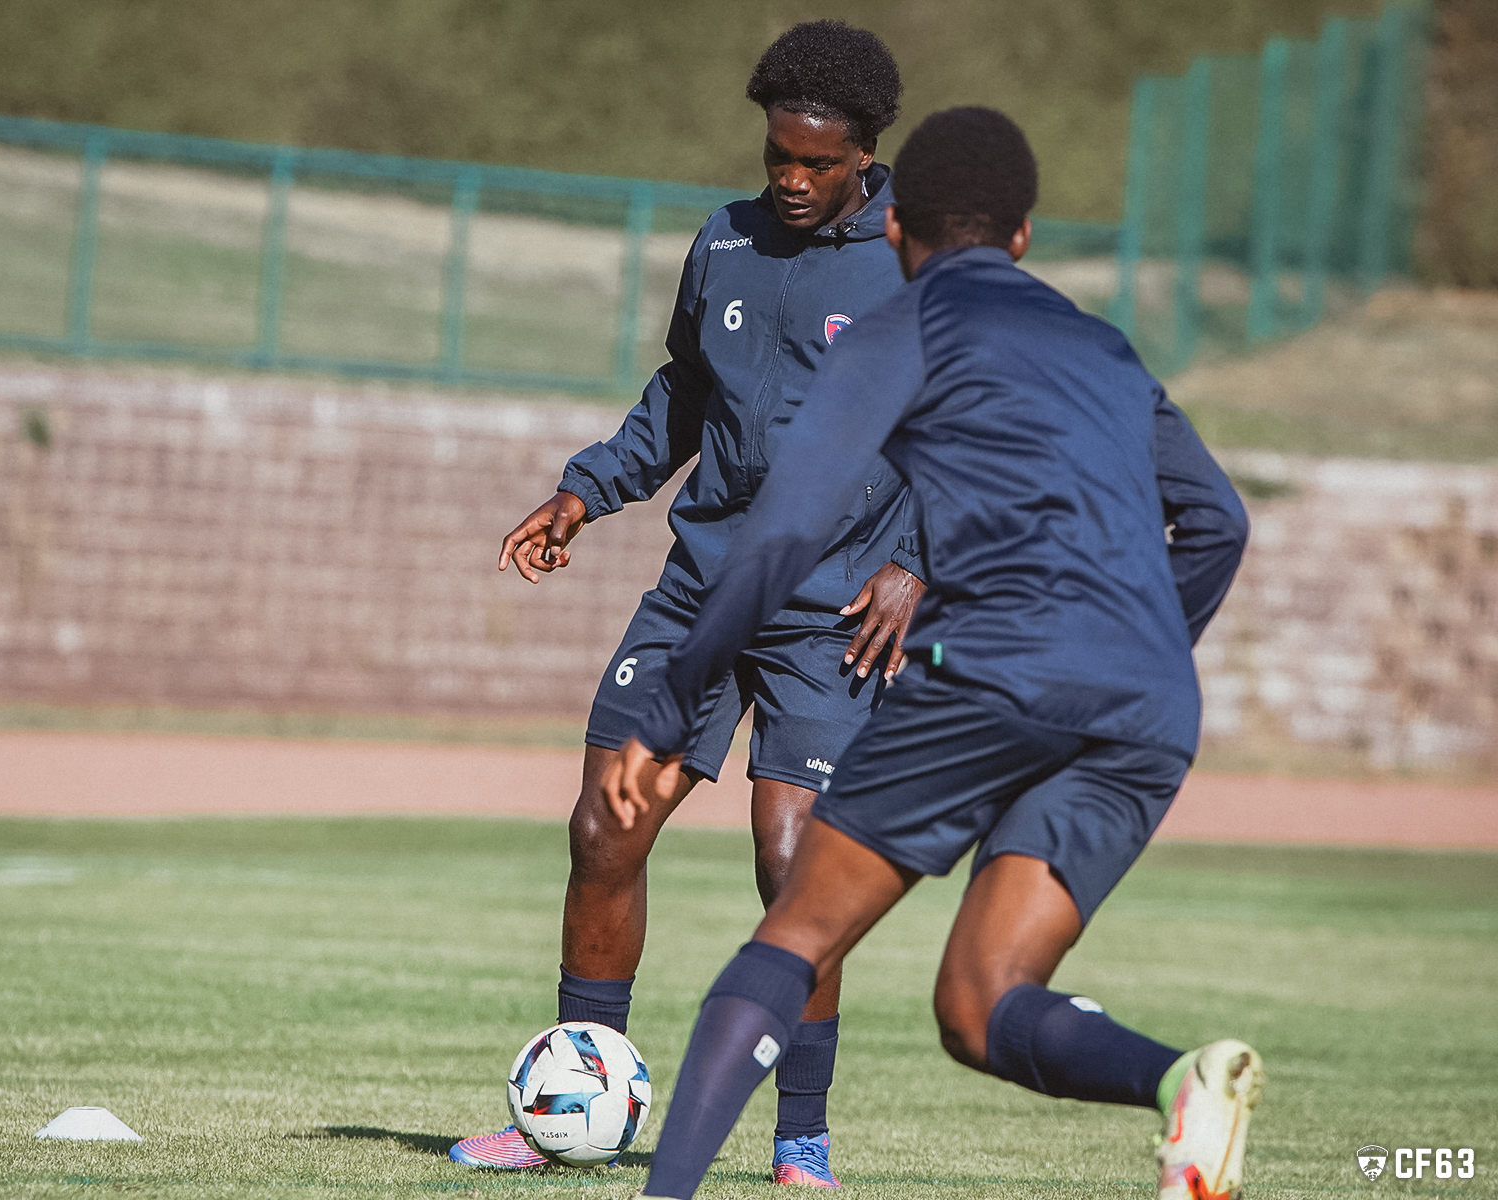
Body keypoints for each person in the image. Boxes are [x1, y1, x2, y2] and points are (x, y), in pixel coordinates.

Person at [602, 106, 1258, 1200]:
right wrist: (1140, 658)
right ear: (1024, 238)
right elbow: (1218, 521)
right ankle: (1186, 1083)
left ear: (897, 224)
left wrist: (674, 701)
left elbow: (782, 533)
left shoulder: (901, 331)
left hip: (999, 671)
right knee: (977, 1006)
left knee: (790, 936)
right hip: (1147, 709)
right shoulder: (1101, 344)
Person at [451, 22, 924, 1185]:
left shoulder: (925, 265)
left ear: (866, 153)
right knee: (604, 825)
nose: (794, 181)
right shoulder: (724, 240)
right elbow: (680, 397)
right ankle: (571, 1099)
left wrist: (918, 564)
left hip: (831, 612)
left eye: (817, 163)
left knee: (791, 864)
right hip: (703, 590)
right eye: (778, 159)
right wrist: (584, 492)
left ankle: (800, 1139)